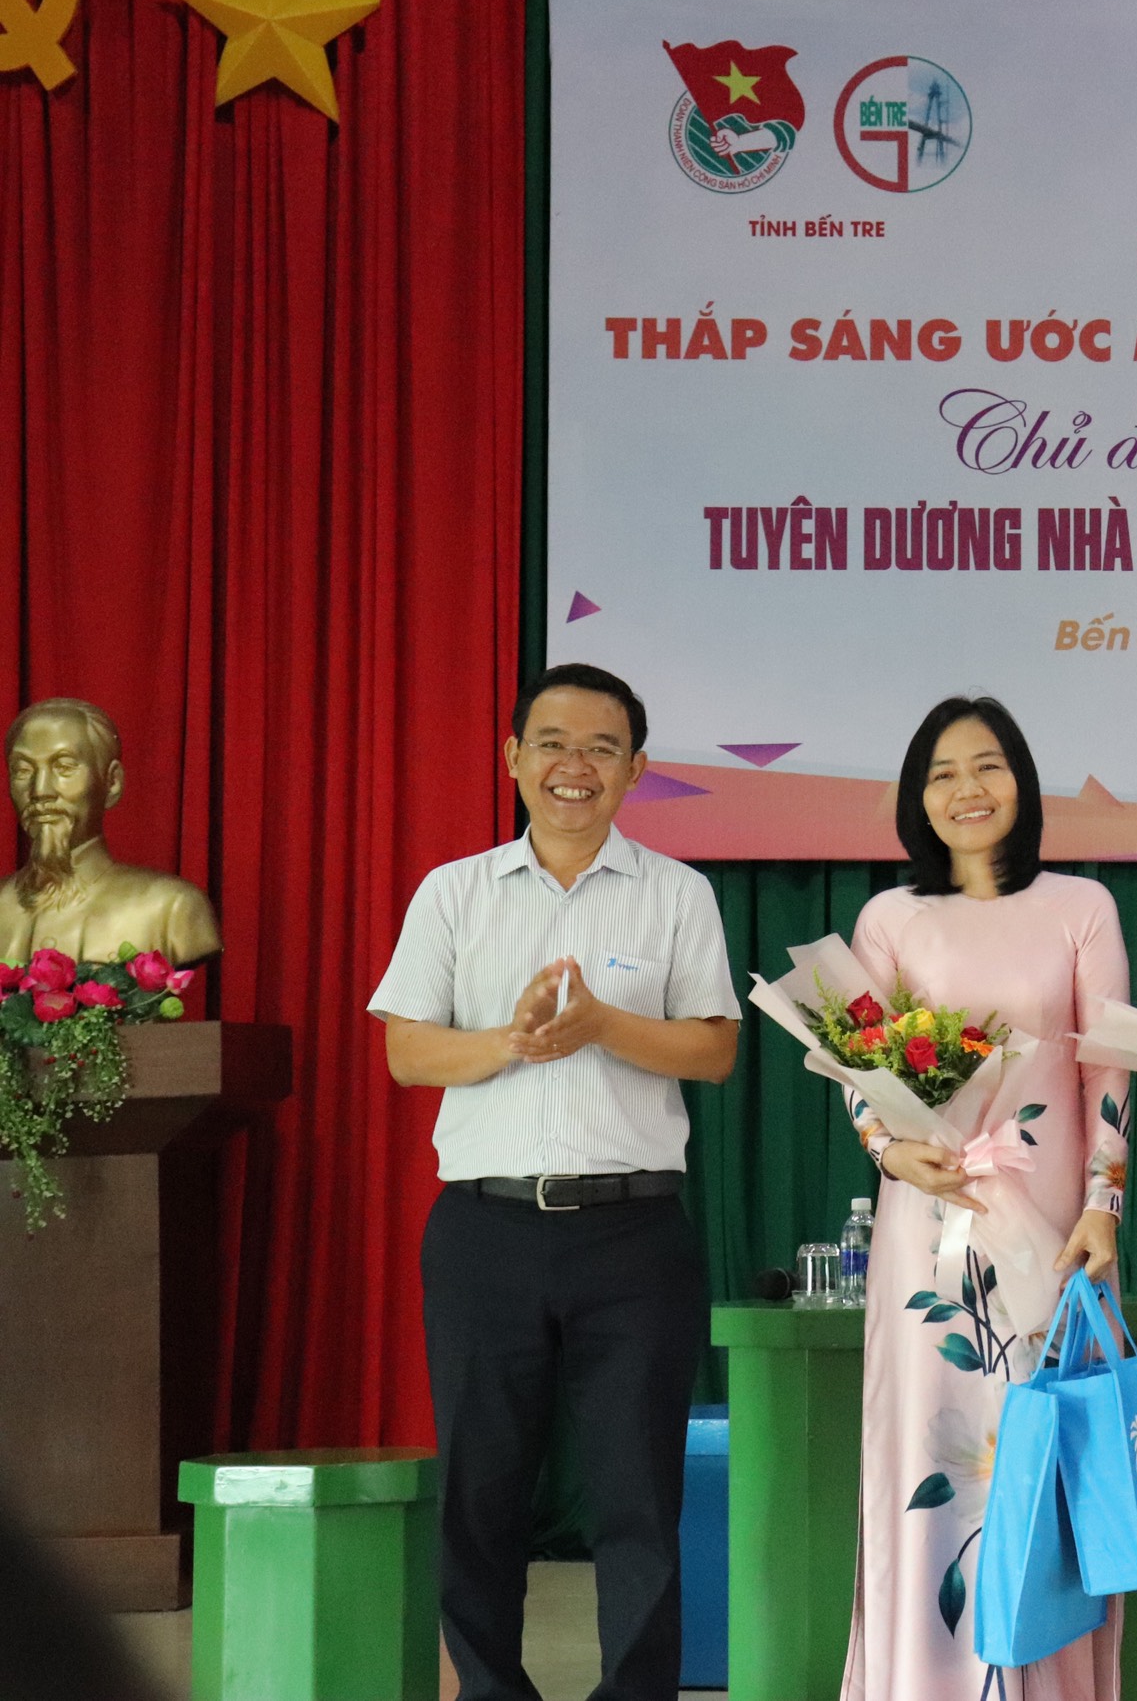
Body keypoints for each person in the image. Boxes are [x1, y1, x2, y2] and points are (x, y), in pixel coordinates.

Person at [369, 662, 740, 1701]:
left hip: (633, 1234)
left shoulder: (677, 894)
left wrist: (600, 1026)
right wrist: (514, 1040)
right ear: (513, 758)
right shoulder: (454, 891)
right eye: (552, 743)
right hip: (485, 1230)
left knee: (638, 1496)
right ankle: (489, 1690)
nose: (575, 766)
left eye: (601, 748)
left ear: (636, 770)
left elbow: (714, 1049)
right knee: (481, 1493)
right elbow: (406, 1050)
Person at [838, 696, 1130, 1701]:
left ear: (1023, 781)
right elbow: (857, 1067)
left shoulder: (1081, 905)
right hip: (930, 1233)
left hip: (1058, 1236)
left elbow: (1108, 1068)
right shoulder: (888, 919)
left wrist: (1102, 1205)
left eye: (988, 765)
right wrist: (889, 1149)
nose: (968, 788)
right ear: (917, 798)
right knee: (936, 1459)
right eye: (943, 773)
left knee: (1046, 1463)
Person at [3, 697, 220, 965]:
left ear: (112, 782)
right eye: (22, 770)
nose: (40, 790)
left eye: (64, 767)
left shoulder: (171, 908)